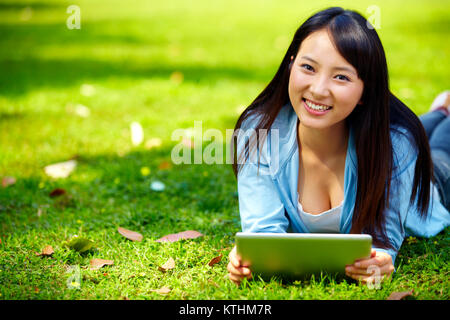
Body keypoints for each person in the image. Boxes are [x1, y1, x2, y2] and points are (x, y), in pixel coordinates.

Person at [227, 7, 450, 286]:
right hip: (385, 130)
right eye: (308, 67)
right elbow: (262, 233)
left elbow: (383, 240)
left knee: (440, 149)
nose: (319, 89)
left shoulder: (397, 144)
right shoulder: (259, 132)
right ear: (290, 66)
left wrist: (378, 260)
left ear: (364, 92)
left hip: (435, 179)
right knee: (418, 127)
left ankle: (444, 112)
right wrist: (248, 260)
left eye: (341, 77)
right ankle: (441, 109)